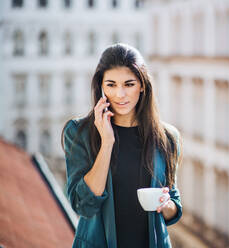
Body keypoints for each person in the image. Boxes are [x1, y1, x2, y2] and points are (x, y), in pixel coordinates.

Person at [61, 43, 183, 248]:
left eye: (129, 84)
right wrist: (107, 142)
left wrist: (165, 204)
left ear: (142, 85)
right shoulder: (78, 133)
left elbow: (174, 207)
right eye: (111, 85)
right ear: (101, 86)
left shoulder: (168, 137)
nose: (120, 95)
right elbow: (83, 205)